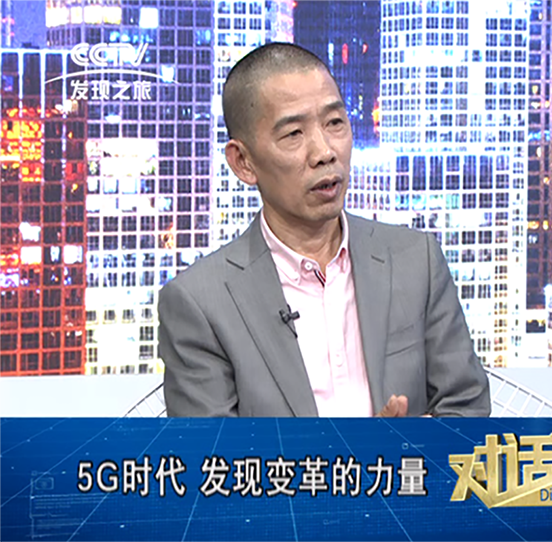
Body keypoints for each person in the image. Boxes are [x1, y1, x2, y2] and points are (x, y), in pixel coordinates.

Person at [158, 43, 490, 418]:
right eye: (293, 134)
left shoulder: (416, 262)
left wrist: (404, 448)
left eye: (334, 123)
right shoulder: (199, 303)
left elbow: (467, 408)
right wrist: (364, 453)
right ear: (243, 162)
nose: (325, 152)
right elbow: (214, 451)